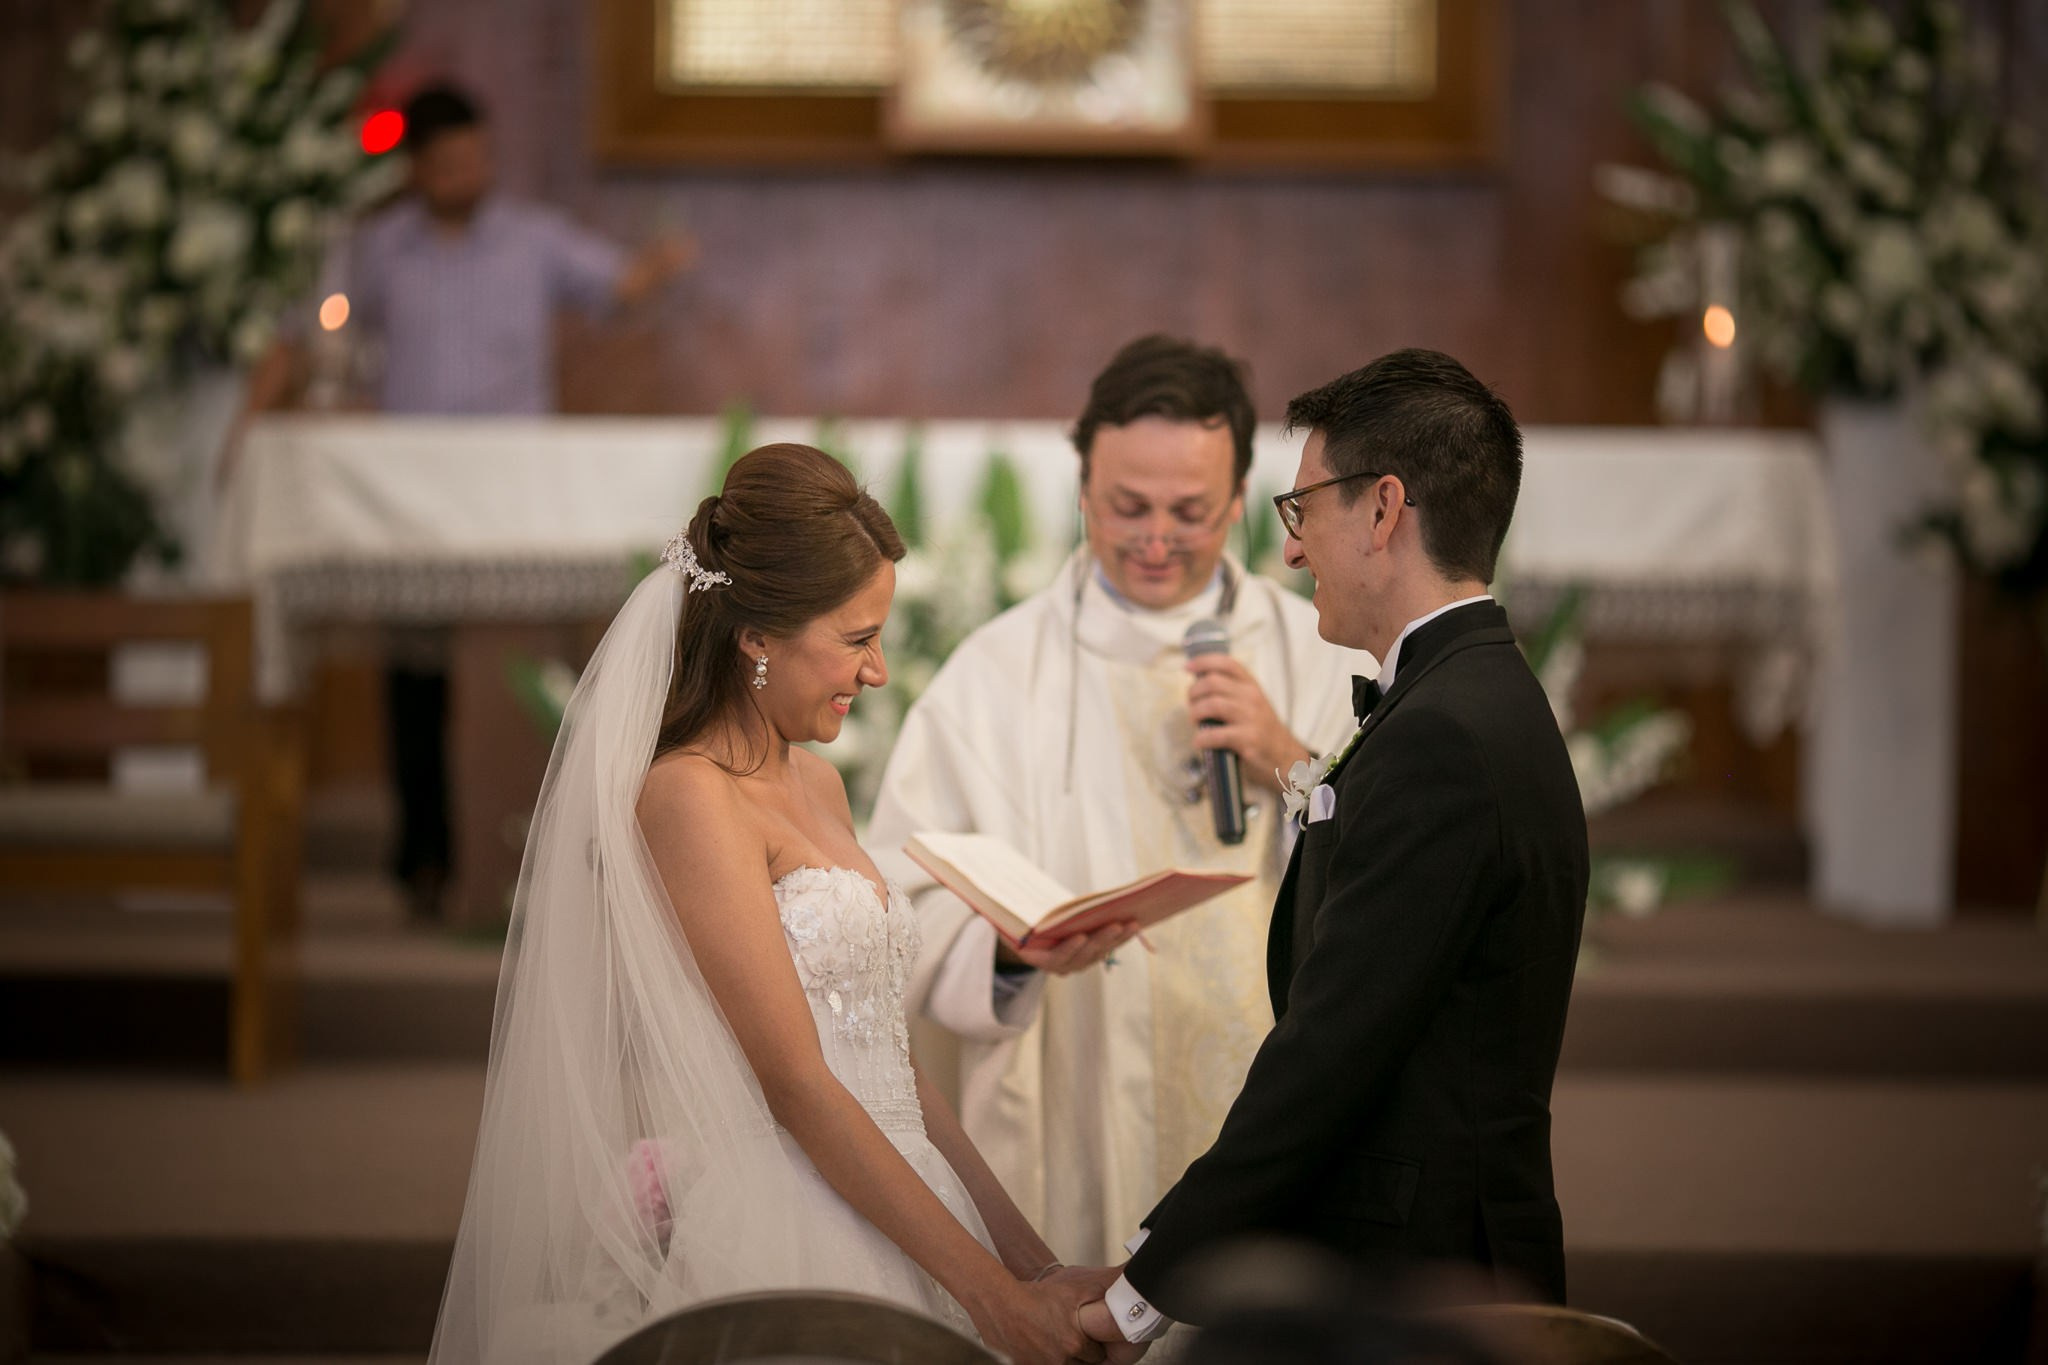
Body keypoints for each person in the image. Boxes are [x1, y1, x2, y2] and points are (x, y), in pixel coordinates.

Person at [430, 445, 1117, 1365]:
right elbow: (795, 1080)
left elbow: (895, 1068)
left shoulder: (821, 785)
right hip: (799, 1216)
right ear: (757, 635)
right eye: (856, 637)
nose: (875, 671)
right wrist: (986, 1293)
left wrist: (1028, 1264)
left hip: (910, 1190)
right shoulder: (688, 797)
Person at [1084, 349, 1591, 1348]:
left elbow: (1330, 1050)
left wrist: (1137, 1294)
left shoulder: (1442, 732)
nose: (1292, 550)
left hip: (1422, 1277)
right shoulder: (1465, 693)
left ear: (1381, 509)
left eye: (1301, 507)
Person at [866, 335, 1375, 1268]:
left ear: (1238, 504)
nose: (1154, 538)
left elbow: (1401, 875)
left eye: (1189, 512)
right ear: (1082, 490)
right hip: (1074, 1092)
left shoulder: (1319, 655)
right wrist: (1011, 955)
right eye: (1127, 507)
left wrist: (1290, 761)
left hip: (1273, 1094)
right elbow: (895, 903)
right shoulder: (995, 677)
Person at [232, 80, 693, 920]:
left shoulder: (531, 238)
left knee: (525, 662)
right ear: (416, 169)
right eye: (448, 163)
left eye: (478, 157)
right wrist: (255, 414)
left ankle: (537, 858)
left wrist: (655, 268)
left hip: (515, 485)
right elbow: (311, 329)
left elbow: (617, 289)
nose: (467, 173)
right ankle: (423, 859)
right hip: (414, 490)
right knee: (415, 673)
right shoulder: (377, 249)